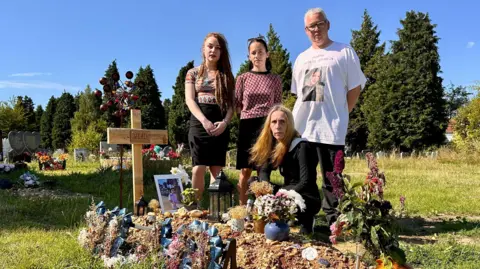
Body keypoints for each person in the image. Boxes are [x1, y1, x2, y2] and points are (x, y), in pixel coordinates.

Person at [290, 7, 367, 226]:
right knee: (304, 180)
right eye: (310, 26)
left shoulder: (343, 52)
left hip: (331, 129)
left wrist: (343, 112)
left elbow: (355, 87)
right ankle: (306, 220)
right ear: (305, 30)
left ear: (328, 24)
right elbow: (299, 95)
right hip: (303, 129)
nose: (315, 29)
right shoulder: (301, 58)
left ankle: (334, 224)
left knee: (332, 180)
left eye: (319, 24)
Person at [250, 105, 320, 234]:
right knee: (254, 181)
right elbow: (264, 171)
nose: (278, 126)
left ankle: (306, 221)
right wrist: (265, 190)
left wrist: (280, 195)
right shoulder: (274, 144)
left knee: (303, 232)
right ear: (269, 126)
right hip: (286, 192)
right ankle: (266, 221)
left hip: (306, 195)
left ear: (289, 124)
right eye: (274, 122)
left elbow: (306, 181)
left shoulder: (301, 146)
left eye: (282, 122)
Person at [185, 32, 235, 202]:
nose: (213, 50)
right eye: (210, 46)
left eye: (218, 48)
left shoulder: (227, 76)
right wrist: (204, 120)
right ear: (203, 49)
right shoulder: (193, 73)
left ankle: (217, 210)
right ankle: (195, 207)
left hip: (220, 124)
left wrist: (225, 123)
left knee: (217, 170)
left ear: (222, 52)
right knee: (198, 167)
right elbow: (190, 100)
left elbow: (231, 105)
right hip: (199, 123)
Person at [235, 35, 282, 205]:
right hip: (247, 124)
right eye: (253, 52)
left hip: (266, 126)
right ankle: (241, 210)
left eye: (260, 51)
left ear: (267, 54)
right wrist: (248, 114)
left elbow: (278, 105)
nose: (257, 55)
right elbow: (237, 104)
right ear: (249, 56)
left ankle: (262, 210)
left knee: (264, 170)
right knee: (245, 170)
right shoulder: (242, 79)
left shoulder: (275, 79)